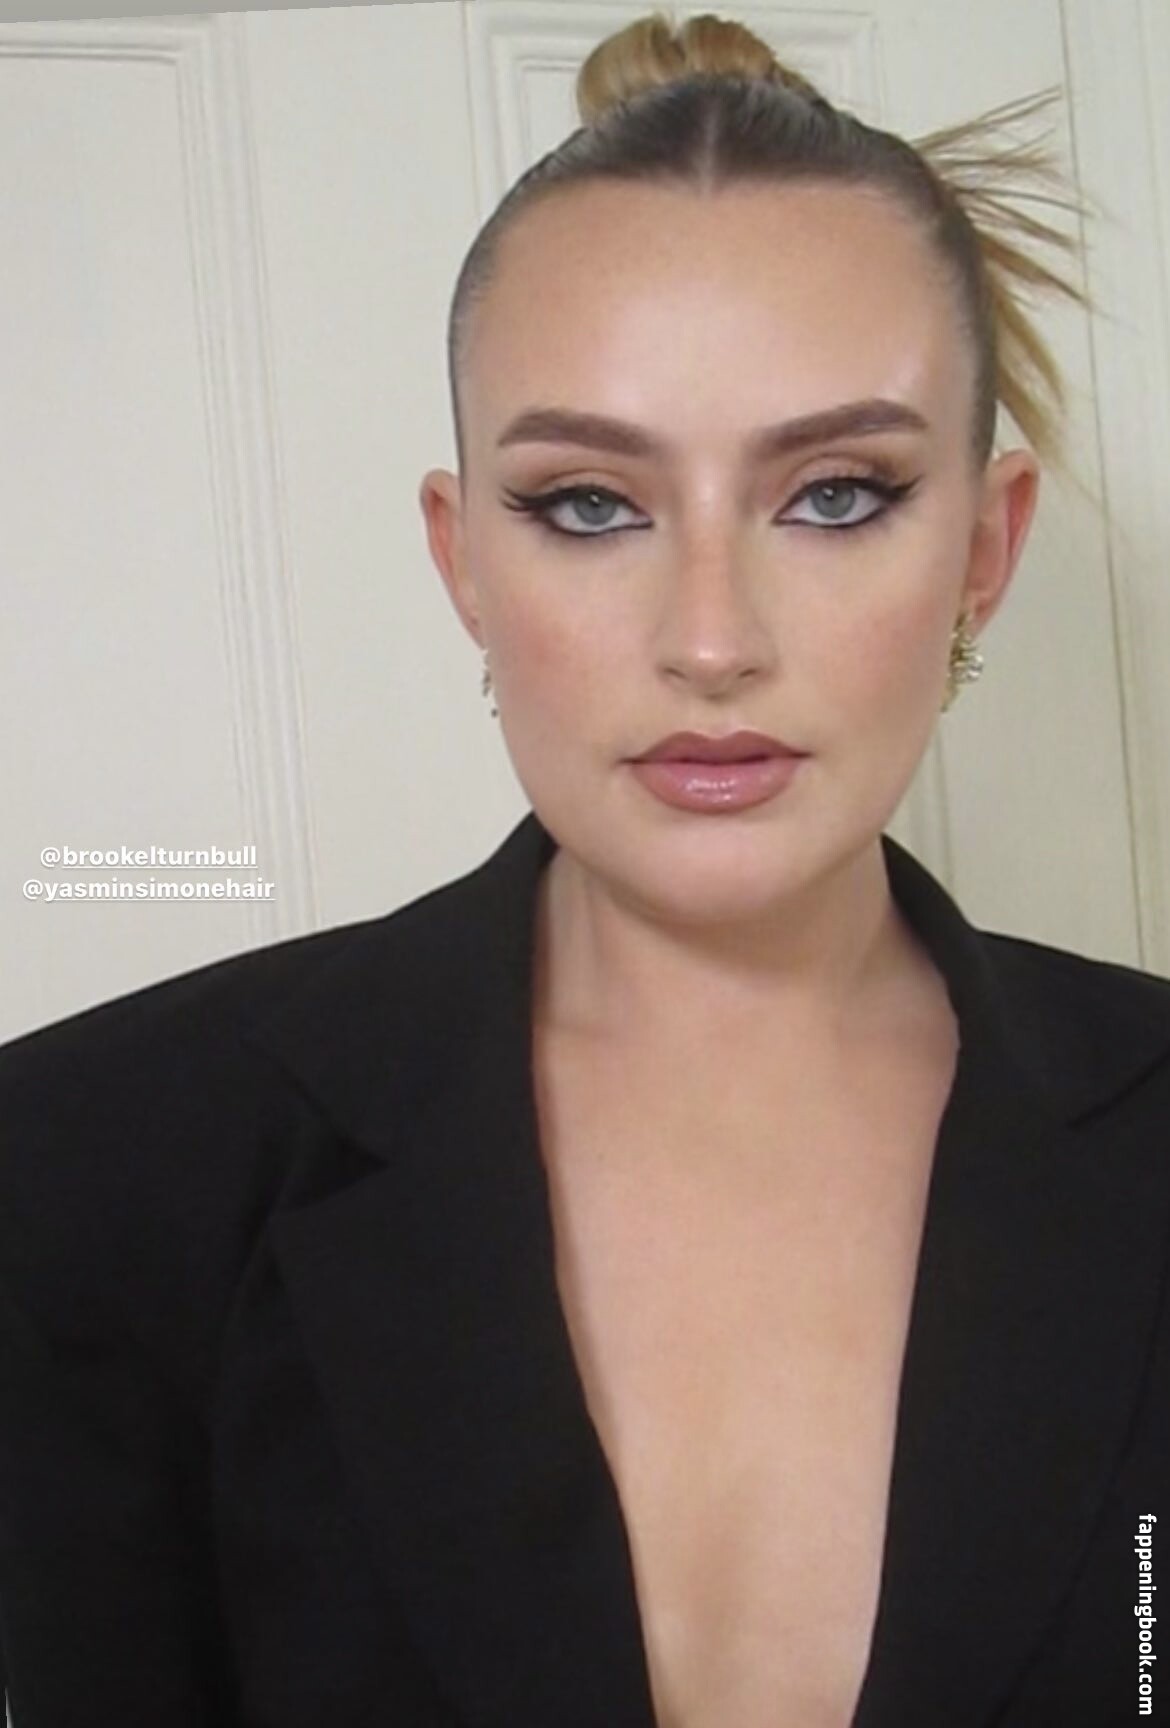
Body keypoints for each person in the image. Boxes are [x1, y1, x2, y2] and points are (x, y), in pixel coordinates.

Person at [1, 10, 1168, 1727]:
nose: (709, 639)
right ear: (462, 561)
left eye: (836, 495)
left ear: (983, 551)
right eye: (589, 506)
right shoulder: (87, 1165)